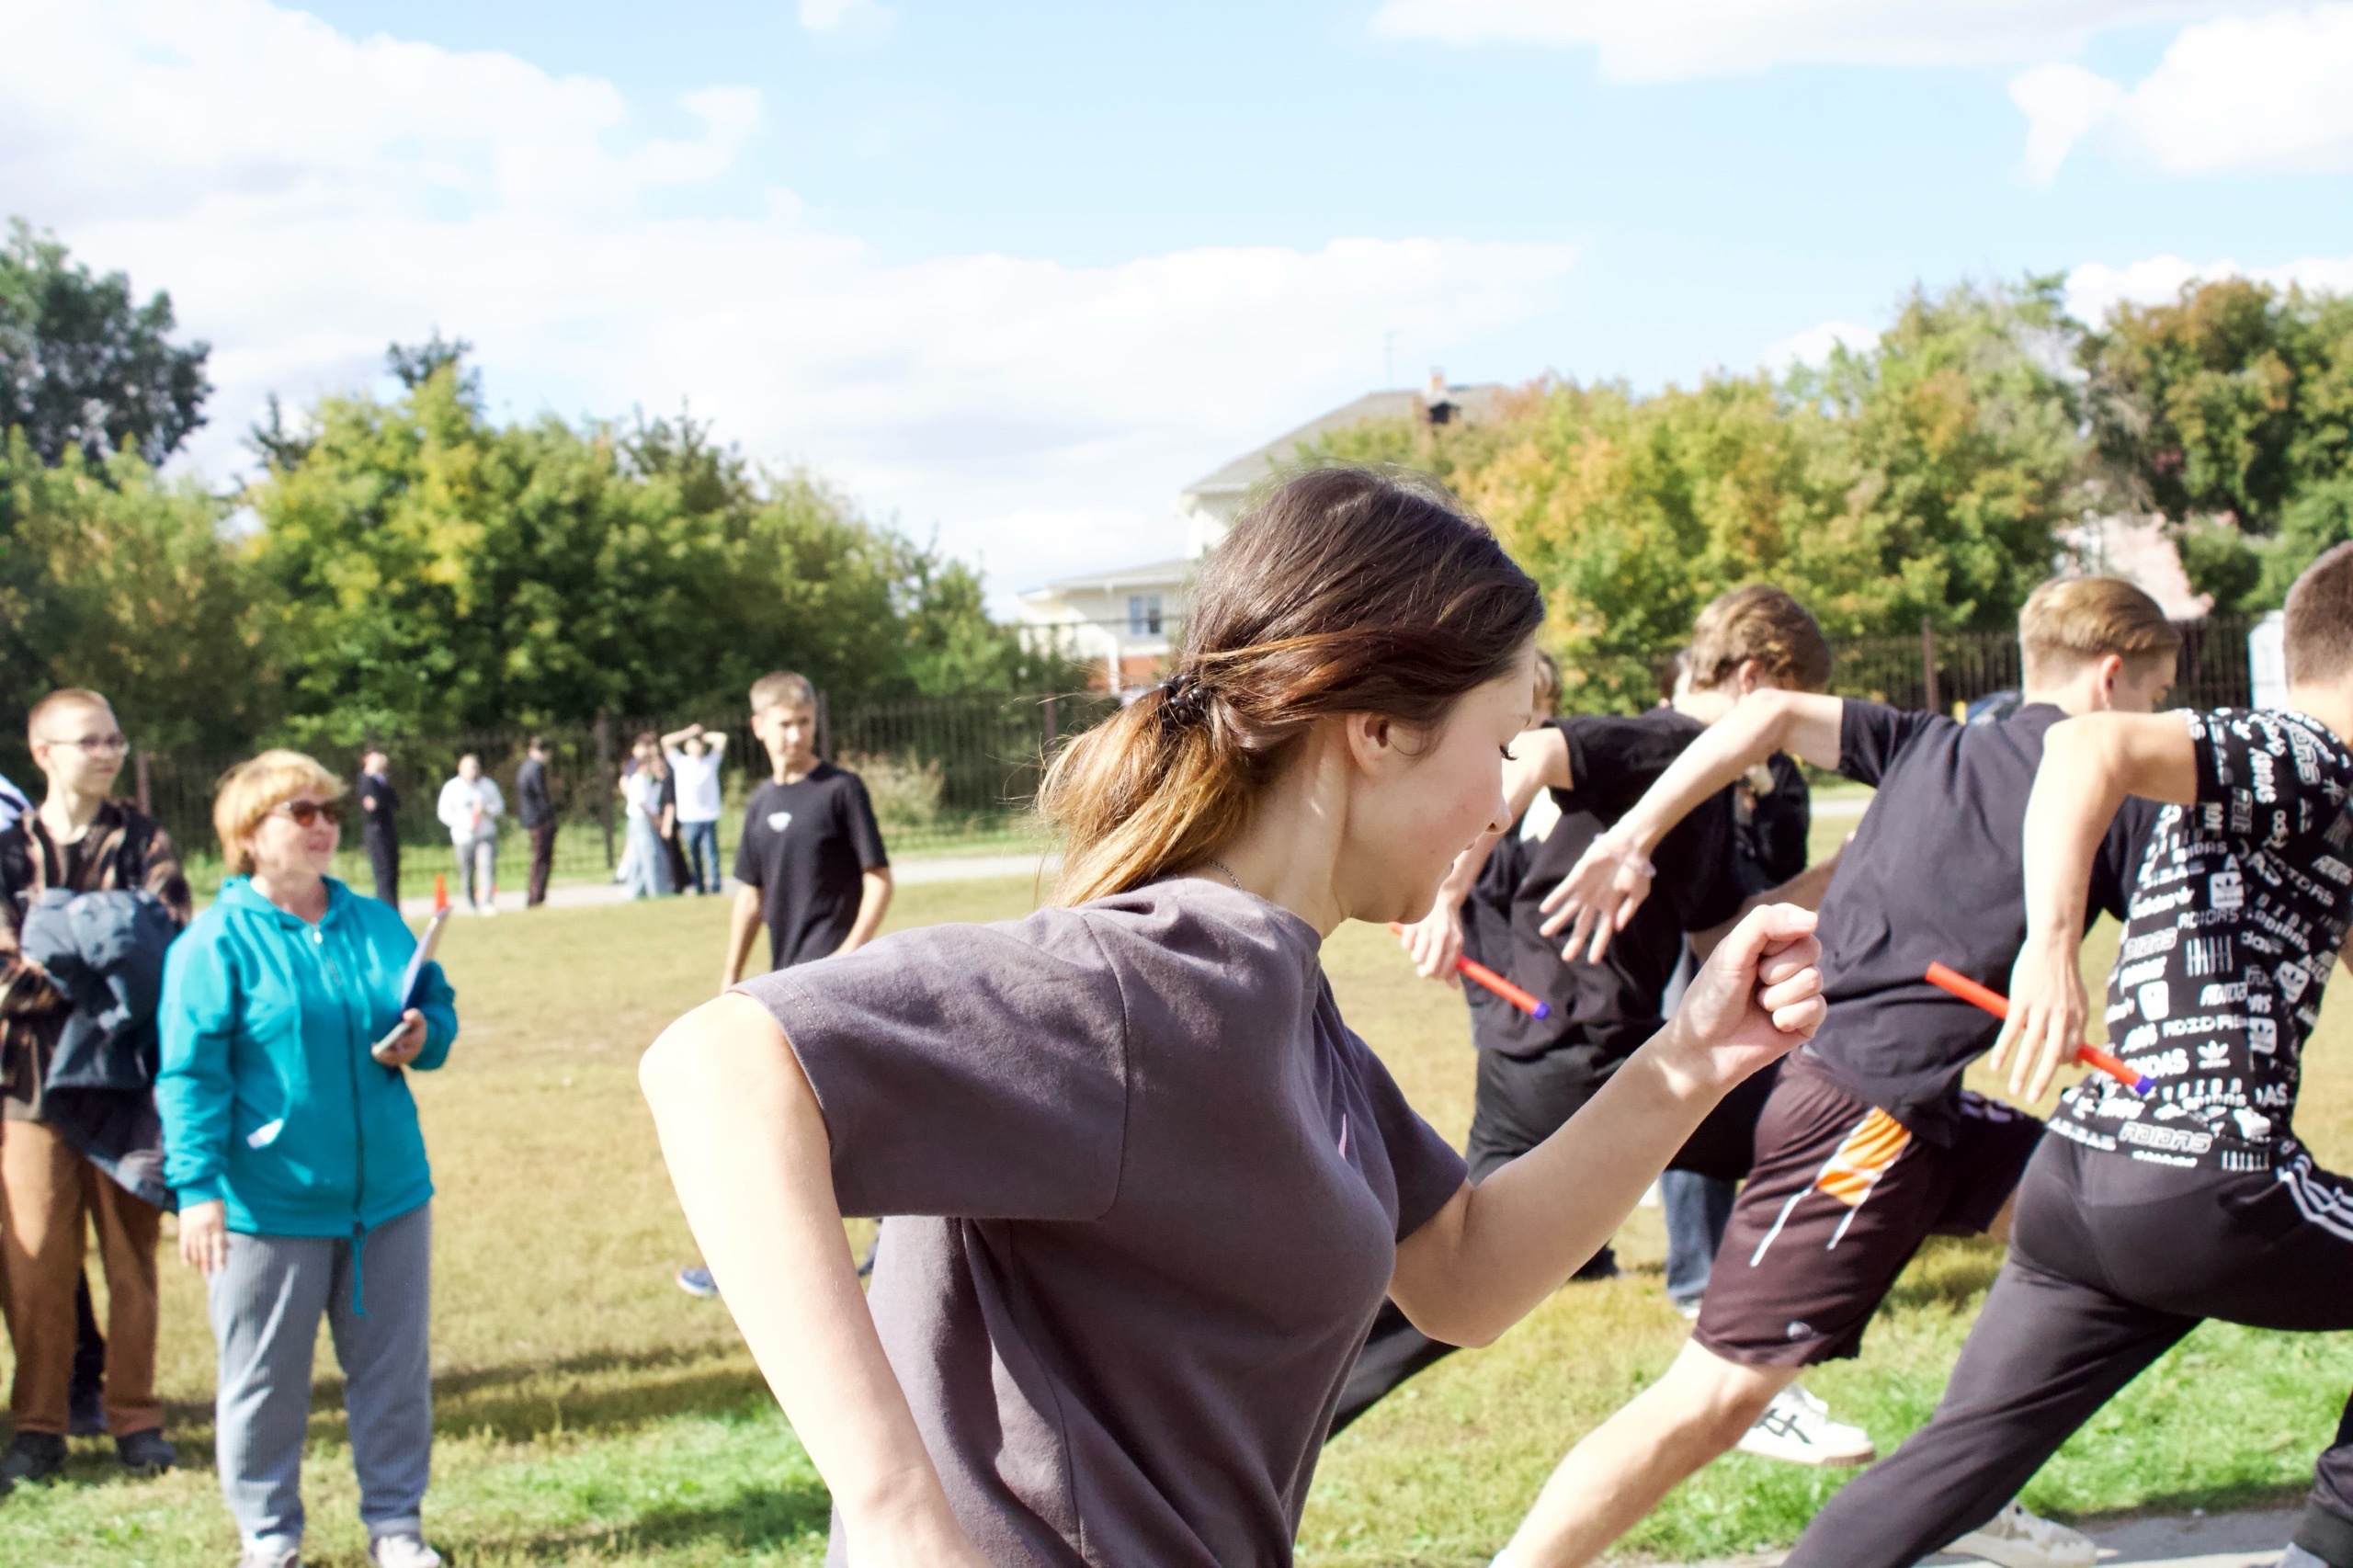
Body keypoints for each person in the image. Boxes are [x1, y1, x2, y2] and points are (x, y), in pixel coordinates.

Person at [639, 467, 1830, 1565]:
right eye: (1503, 736)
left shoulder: (1279, 999)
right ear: (1374, 730)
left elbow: (1465, 1273)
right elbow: (720, 1067)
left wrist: (1698, 1052)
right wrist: (903, 1516)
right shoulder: (1145, 982)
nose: (1506, 786)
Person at [1497, 576, 2183, 1568]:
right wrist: (1627, 837)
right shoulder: (2095, 795)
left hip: (1925, 1112)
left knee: (2107, 1217)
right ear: (2114, 678)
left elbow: (1770, 713)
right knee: (1717, 1396)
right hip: (1858, 1117)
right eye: (2153, 697)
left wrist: (1633, 833)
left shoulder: (1928, 742)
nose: (2152, 721)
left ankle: (1959, 1486)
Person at [1782, 544, 2353, 1568]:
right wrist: (2050, 947)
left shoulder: (2307, 796)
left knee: (1951, 1465)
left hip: (2083, 1177)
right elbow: (2083, 746)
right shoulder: (2302, 750)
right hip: (2201, 1179)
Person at [1336, 587, 1847, 1442]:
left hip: (1539, 1058)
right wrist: (1446, 898)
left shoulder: (1710, 792)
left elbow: (1721, 932)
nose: (1788, 741)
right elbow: (1531, 754)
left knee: (1441, 1285)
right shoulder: (1671, 740)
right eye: (1788, 714)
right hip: (1583, 1052)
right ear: (1755, 680)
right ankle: (1745, 1372)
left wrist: (1846, 874)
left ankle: (1253, 1418)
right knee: (1831, 1128)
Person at [158, 749, 457, 1568]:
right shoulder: (214, 943)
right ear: (249, 835)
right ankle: (269, 1536)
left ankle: (396, 1527)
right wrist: (198, 1189)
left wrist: (424, 1036)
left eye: (329, 810)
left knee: (393, 1376)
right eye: (303, 812)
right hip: (267, 1206)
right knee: (262, 1384)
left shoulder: (374, 921)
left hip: (388, 1197)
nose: (325, 825)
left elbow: (434, 1005)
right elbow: (188, 1077)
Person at [0, 687, 190, 1488]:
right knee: (35, 1262)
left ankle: (137, 1419)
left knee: (131, 1261)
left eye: (115, 738)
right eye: (90, 741)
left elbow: (165, 952)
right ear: (45, 752)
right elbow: (7, 980)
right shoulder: (8, 854)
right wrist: (104, 946)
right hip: (31, 1086)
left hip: (127, 1082)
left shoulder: (145, 839)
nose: (108, 752)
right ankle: (39, 1427)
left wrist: (61, 943)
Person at [719, 673, 892, 987]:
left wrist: (849, 951)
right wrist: (731, 976)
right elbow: (752, 895)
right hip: (785, 973)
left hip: (835, 970)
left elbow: (878, 878)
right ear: (758, 727)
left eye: (805, 722)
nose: (797, 735)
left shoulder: (841, 789)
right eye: (785, 725)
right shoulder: (760, 800)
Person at [662, 723, 728, 895]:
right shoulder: (681, 763)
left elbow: (721, 738)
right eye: (693, 744)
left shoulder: (710, 761)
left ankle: (715, 885)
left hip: (708, 815)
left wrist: (702, 736)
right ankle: (699, 886)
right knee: (694, 854)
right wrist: (688, 733)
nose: (697, 747)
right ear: (686, 747)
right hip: (689, 817)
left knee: (711, 854)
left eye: (699, 744)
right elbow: (666, 741)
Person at [434, 755, 502, 915]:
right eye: (469, 768)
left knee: (486, 866)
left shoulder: (487, 785)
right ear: (461, 769)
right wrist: (462, 823)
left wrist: (487, 810)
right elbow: (443, 812)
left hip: (485, 834)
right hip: (463, 837)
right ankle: (470, 902)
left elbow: (499, 807)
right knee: (466, 870)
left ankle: (486, 902)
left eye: (475, 767)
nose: (473, 771)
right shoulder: (452, 787)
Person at [620, 737, 675, 901]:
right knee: (650, 855)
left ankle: (638, 891)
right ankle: (656, 890)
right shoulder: (638, 779)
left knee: (640, 857)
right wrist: (655, 819)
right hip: (641, 821)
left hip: (641, 821)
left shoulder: (643, 780)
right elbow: (642, 804)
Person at [515, 738, 556, 908]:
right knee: (542, 858)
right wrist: (549, 815)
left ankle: (535, 895)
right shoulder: (536, 767)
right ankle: (536, 896)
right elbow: (541, 794)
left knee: (538, 857)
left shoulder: (525, 767)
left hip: (531, 818)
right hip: (540, 819)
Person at [358, 749, 401, 908]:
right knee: (383, 871)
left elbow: (394, 803)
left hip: (387, 829)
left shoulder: (381, 781)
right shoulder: (366, 780)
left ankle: (393, 906)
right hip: (376, 831)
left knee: (392, 870)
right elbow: (371, 806)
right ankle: (386, 906)